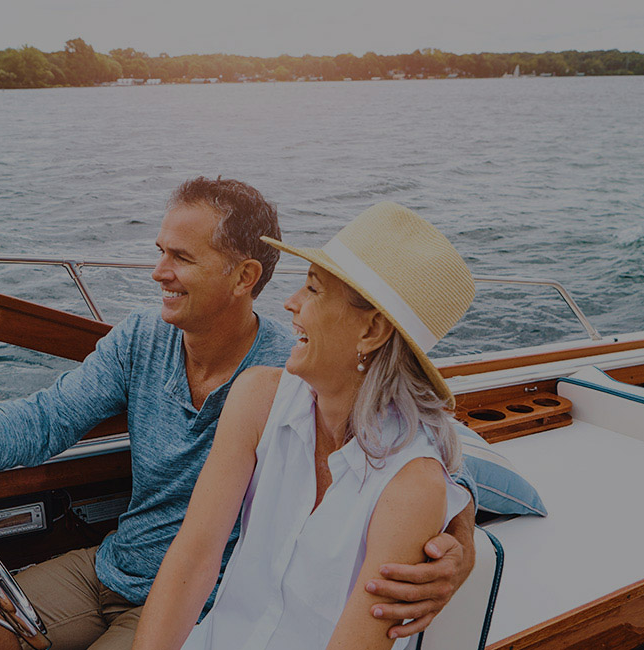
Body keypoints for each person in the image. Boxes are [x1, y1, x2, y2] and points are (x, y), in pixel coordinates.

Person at [0, 180, 476, 650]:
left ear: (244, 276)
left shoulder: (299, 368)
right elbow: (46, 418)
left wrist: (458, 530)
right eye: (160, 251)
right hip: (110, 566)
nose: (158, 272)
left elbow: (428, 446)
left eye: (180, 257)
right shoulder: (157, 346)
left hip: (196, 610)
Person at [132, 201, 475, 650]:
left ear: (371, 331)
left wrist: (462, 529)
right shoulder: (256, 398)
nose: (290, 303)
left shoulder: (413, 486)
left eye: (312, 289)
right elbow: (193, 560)